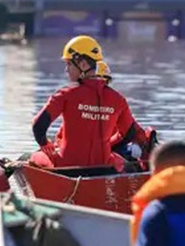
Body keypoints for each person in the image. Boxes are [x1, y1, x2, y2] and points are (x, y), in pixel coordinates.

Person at [30, 35, 147, 171]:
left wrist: (45, 145)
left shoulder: (65, 94)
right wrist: (108, 144)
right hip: (104, 167)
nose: (66, 70)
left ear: (83, 64)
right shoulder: (118, 99)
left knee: (33, 157)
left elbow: (38, 126)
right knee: (122, 161)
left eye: (69, 64)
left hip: (66, 167)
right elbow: (129, 134)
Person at [92, 60, 160, 169]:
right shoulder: (80, 102)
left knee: (132, 152)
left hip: (115, 150)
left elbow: (132, 129)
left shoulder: (115, 102)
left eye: (105, 83)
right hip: (98, 153)